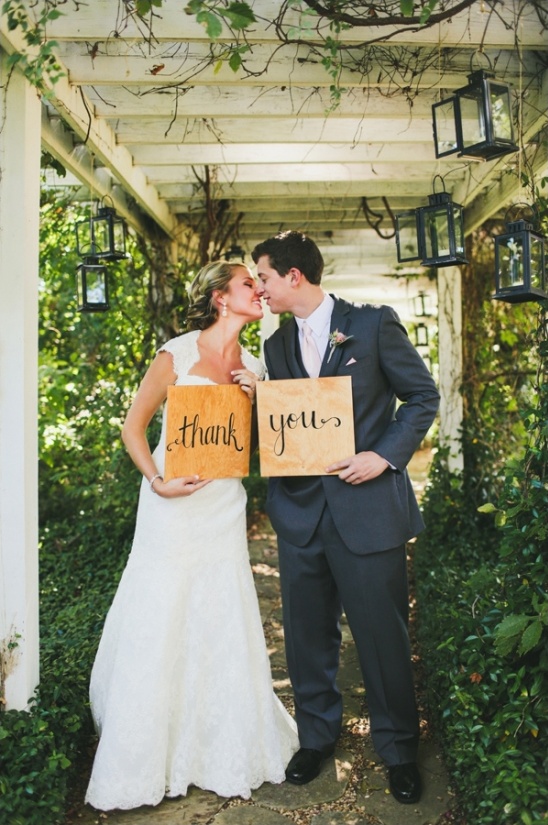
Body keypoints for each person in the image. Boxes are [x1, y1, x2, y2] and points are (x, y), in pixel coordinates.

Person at [85, 260, 298, 811]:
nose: (260, 290)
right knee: (164, 610)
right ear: (221, 298)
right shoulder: (175, 355)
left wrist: (261, 395)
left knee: (220, 611)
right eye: (250, 284)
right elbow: (133, 428)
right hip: (172, 502)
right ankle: (148, 752)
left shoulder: (254, 361)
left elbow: (262, 442)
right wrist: (157, 482)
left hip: (224, 502)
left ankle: (217, 744)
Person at [251, 231, 440, 805]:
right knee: (307, 638)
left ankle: (400, 749)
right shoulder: (277, 346)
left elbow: (422, 397)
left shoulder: (375, 324)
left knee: (383, 637)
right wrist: (254, 392)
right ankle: (316, 738)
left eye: (262, 277)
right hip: (300, 514)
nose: (259, 288)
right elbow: (285, 421)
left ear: (293, 277)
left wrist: (382, 455)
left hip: (369, 510)